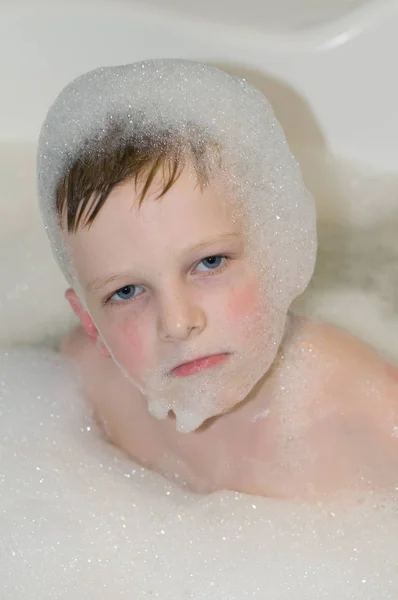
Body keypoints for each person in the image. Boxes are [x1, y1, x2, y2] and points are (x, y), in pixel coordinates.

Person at [37, 59, 398, 500]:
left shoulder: (374, 422)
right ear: (90, 321)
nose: (176, 322)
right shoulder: (87, 375)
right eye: (127, 291)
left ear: (279, 250)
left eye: (209, 263)